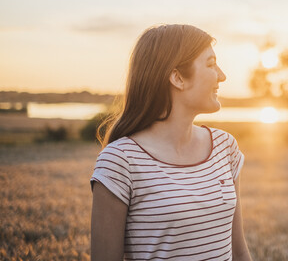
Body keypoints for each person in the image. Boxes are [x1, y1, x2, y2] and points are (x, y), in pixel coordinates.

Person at [90, 24, 252, 261]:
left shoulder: (225, 147)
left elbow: (238, 251)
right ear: (177, 77)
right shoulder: (119, 161)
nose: (222, 75)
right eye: (210, 64)